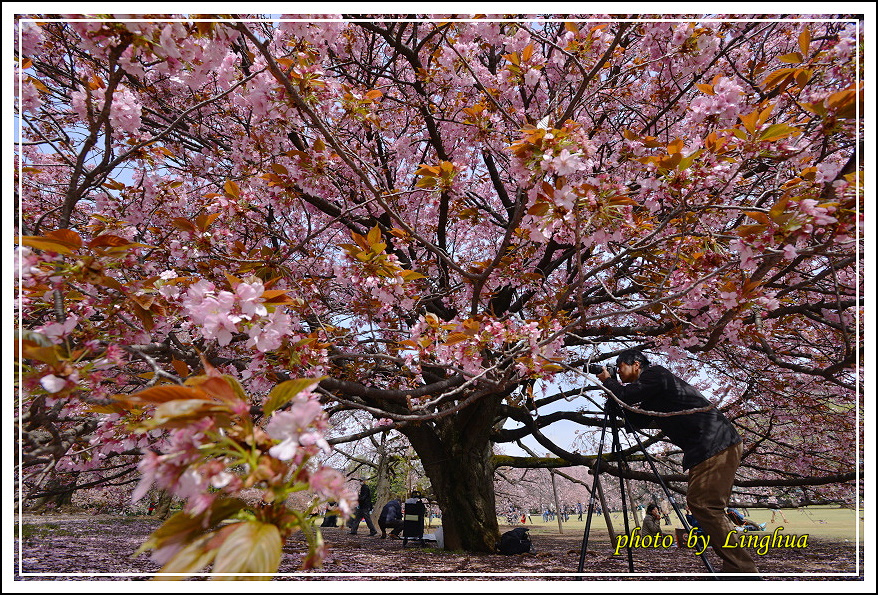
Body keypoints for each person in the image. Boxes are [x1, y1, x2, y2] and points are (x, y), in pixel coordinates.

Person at [598, 349, 759, 574]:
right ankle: (737, 569)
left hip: (714, 442)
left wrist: (609, 382)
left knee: (705, 505)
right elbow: (636, 418)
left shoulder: (656, 374)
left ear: (636, 364)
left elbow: (627, 396)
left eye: (620, 367)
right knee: (701, 505)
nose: (618, 372)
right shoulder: (655, 392)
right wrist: (614, 400)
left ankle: (743, 571)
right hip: (708, 446)